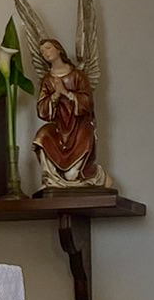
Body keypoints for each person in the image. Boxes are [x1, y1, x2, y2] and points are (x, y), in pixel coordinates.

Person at [33, 37, 112, 188]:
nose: (45, 53)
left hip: (79, 127)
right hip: (59, 128)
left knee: (72, 176)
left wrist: (66, 93)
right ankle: (50, 179)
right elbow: (42, 109)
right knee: (42, 136)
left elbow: (88, 102)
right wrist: (55, 95)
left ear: (58, 50)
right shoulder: (47, 80)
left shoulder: (77, 75)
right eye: (42, 51)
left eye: (48, 48)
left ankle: (97, 176)